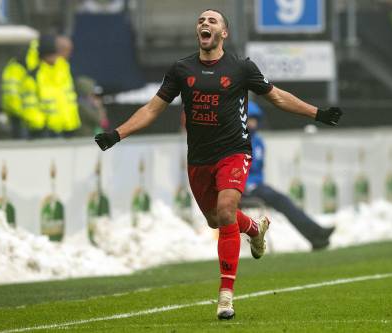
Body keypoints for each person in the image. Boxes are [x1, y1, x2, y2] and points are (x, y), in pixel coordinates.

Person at [95, 9, 343, 320]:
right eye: (201, 20)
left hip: (234, 151)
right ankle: (253, 228)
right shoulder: (181, 69)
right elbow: (152, 109)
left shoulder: (241, 68)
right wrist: (117, 133)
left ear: (223, 33)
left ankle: (225, 297)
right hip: (199, 158)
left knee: (226, 210)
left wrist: (317, 114)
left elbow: (277, 97)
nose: (205, 23)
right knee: (216, 219)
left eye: (212, 20)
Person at [242, 101, 335, 250]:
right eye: (249, 119)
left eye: (254, 120)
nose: (252, 123)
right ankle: (317, 234)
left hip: (256, 186)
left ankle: (317, 236)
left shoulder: (258, 142)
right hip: (240, 188)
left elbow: (258, 169)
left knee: (282, 200)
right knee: (280, 199)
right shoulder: (237, 142)